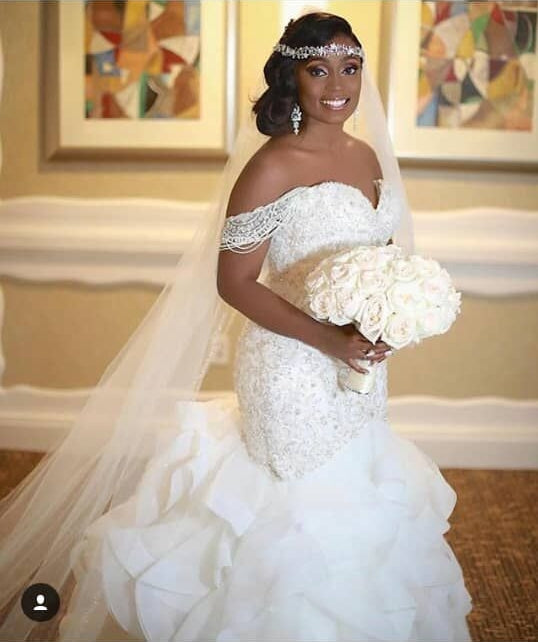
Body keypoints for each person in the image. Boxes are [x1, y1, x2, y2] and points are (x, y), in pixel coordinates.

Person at [0, 11, 473, 642]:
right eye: (318, 69)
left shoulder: (367, 157)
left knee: (359, 489)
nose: (338, 84)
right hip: (289, 367)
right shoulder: (271, 167)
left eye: (351, 67)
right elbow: (235, 281)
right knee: (292, 505)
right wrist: (329, 339)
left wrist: (387, 315)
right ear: (291, 78)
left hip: (357, 362)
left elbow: (378, 257)